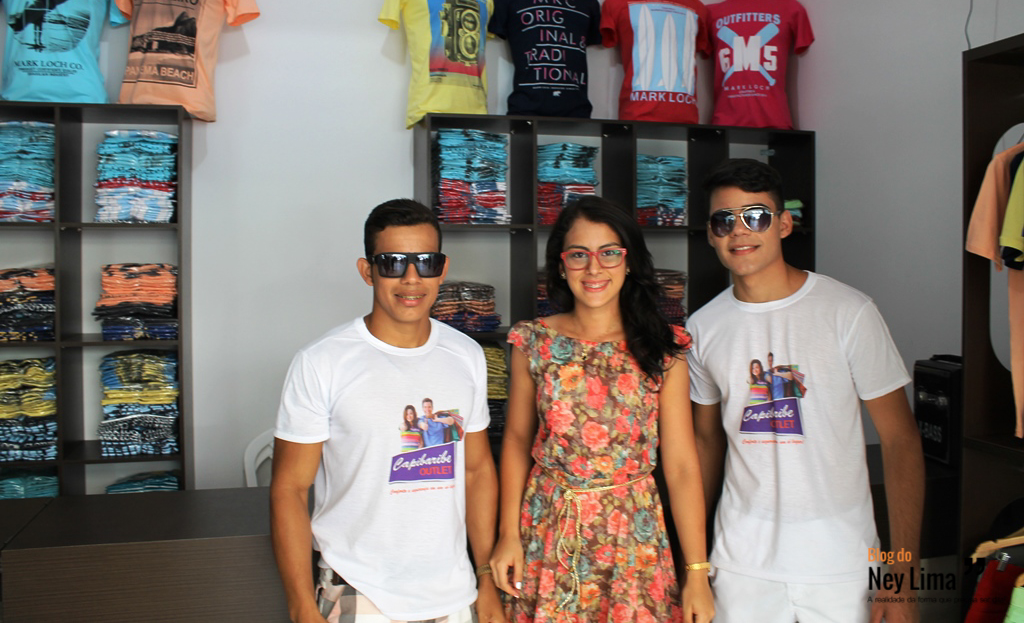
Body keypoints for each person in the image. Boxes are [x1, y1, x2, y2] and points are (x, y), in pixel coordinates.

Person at [687, 159, 924, 623]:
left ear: (784, 224)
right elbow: (705, 442)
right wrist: (695, 564)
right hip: (741, 565)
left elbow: (901, 441)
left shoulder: (848, 312)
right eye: (723, 220)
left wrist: (901, 577)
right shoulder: (702, 328)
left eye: (756, 216)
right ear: (711, 235)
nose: (739, 231)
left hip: (843, 564)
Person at [271, 198, 505, 623]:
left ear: (443, 269)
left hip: (453, 594)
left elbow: (477, 471)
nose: (412, 279)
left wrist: (485, 577)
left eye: (426, 263)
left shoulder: (467, 355)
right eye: (393, 263)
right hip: (359, 592)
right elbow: (289, 488)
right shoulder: (323, 362)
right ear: (368, 271)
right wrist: (301, 605)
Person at [489, 196, 713, 623]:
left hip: (632, 537)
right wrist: (507, 535)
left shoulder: (664, 347)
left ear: (628, 262)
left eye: (609, 253)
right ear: (561, 266)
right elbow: (516, 441)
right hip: (548, 527)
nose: (594, 268)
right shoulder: (533, 341)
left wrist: (697, 572)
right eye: (578, 255)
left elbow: (683, 465)